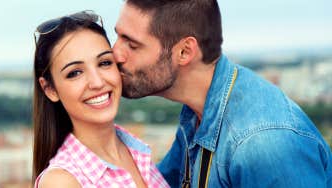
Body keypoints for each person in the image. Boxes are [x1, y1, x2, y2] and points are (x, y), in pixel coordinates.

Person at [113, 0, 332, 187]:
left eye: (132, 44)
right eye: (118, 37)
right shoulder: (199, 109)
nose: (115, 54)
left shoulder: (263, 145)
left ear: (184, 51)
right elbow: (157, 182)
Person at [32, 10, 169, 188]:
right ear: (49, 89)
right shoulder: (62, 181)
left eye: (104, 63)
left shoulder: (138, 153)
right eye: (75, 73)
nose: (97, 82)